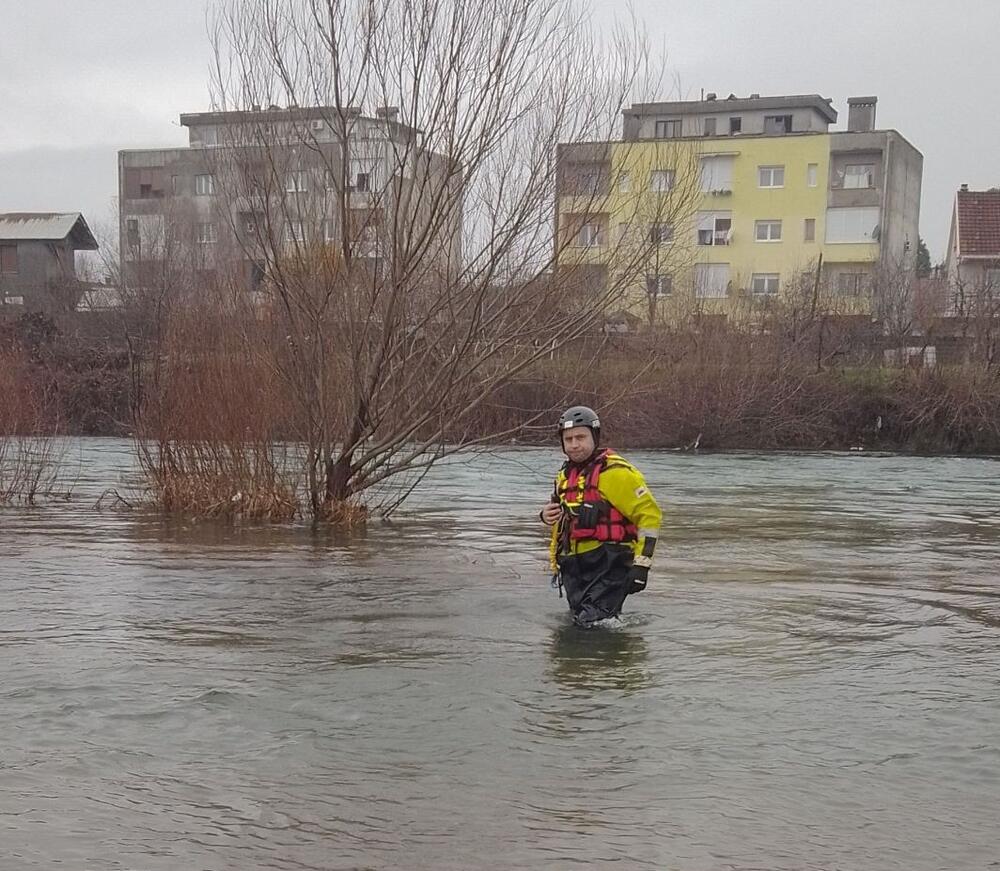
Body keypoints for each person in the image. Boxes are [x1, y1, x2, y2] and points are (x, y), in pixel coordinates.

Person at [540, 406, 662, 627]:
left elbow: (650, 516)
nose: (574, 444)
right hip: (574, 567)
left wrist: (642, 565)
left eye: (581, 437)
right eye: (568, 439)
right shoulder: (565, 476)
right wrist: (545, 516)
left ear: (595, 437)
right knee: (578, 625)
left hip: (609, 563)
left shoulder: (616, 473)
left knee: (590, 627)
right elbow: (561, 521)